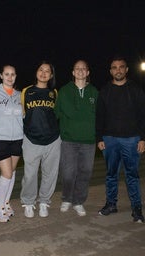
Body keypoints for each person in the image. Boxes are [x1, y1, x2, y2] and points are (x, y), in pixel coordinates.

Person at [96, 55, 145, 223]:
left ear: (126, 69)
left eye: (121, 67)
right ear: (110, 71)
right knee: (111, 174)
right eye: (114, 67)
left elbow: (143, 115)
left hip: (131, 139)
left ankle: (137, 208)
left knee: (132, 175)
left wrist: (143, 138)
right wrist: (99, 137)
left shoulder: (135, 89)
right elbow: (100, 117)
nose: (118, 70)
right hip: (109, 139)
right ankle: (111, 204)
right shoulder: (104, 91)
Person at [54, 60, 98, 217]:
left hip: (89, 141)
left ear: (87, 72)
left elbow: (100, 117)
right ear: (73, 72)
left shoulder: (94, 92)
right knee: (68, 173)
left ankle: (78, 201)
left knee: (85, 172)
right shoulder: (64, 91)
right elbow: (56, 114)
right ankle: (66, 198)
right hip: (69, 140)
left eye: (83, 69)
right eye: (77, 68)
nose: (80, 71)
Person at [20, 60, 61, 218]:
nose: (44, 73)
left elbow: (55, 115)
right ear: (36, 72)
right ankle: (28, 202)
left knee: (50, 173)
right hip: (31, 139)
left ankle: (44, 201)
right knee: (30, 174)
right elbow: (22, 114)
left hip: (52, 139)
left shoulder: (54, 93)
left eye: (47, 71)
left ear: (51, 75)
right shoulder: (26, 91)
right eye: (41, 69)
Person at [0, 65, 23, 222]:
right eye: (7, 74)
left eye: (13, 74)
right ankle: (0, 207)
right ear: (1, 75)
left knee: (12, 172)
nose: (10, 77)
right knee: (7, 174)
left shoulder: (19, 95)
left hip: (17, 137)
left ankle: (7, 203)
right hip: (0, 137)